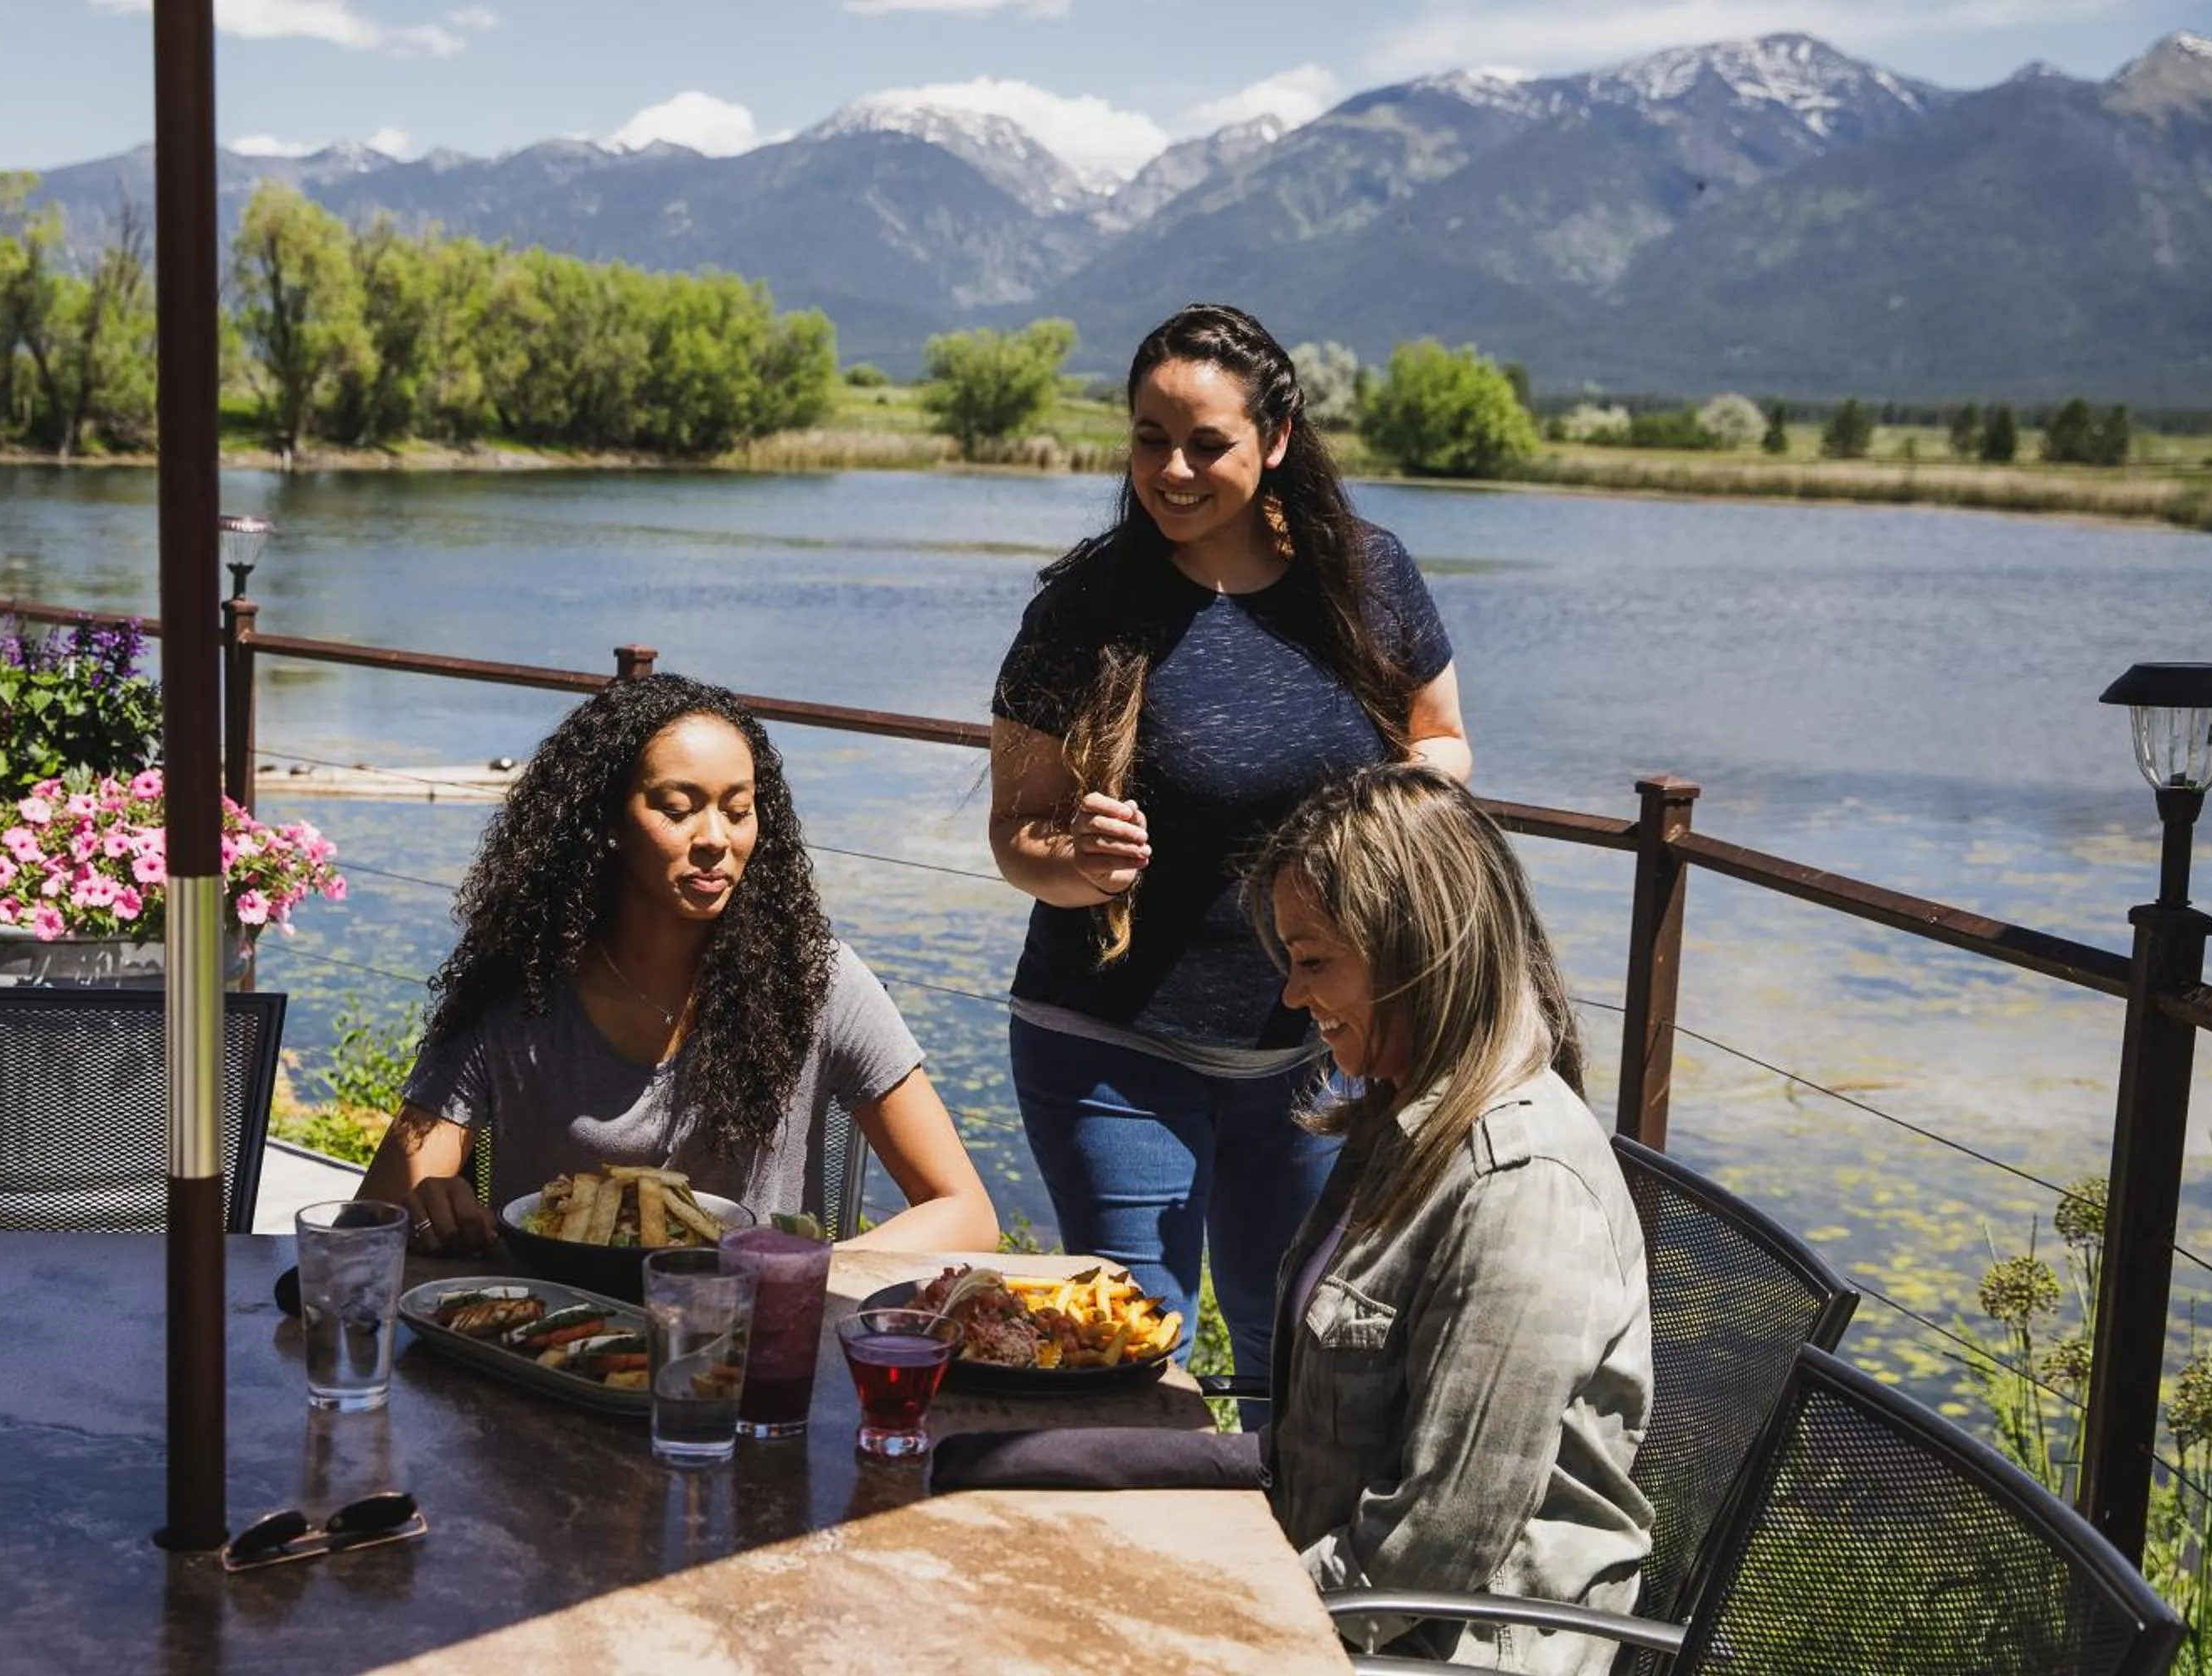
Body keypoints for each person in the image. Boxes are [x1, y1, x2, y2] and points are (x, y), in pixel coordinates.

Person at [987, 303, 1469, 1388]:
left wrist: (1394, 812)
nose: (1174, 470)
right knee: (1133, 1355)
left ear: (1278, 438)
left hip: (1315, 1051)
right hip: (1105, 1043)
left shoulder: (1368, 577)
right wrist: (1078, 862)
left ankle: (1274, 1561)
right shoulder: (1086, 604)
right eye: (1151, 440)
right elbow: (1016, 836)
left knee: (1291, 1362)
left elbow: (1442, 740)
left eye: (1208, 444)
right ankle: (1118, 1556)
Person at [359, 673, 999, 1257]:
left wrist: (797, 1272)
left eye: (738, 810)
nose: (716, 838)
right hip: (550, 1335)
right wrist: (428, 1211)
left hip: (746, 1352)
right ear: (606, 819)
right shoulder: (519, 983)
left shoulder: (816, 982)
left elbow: (965, 1213)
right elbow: (375, 1219)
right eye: (677, 808)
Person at [1250, 763, 1652, 1671]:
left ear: (1415, 947)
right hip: (1345, 1603)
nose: (1291, 994)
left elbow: (1437, 1537)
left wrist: (1225, 1612)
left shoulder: (1522, 1185)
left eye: (1313, 960)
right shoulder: (1404, 1110)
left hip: (1440, 1645)